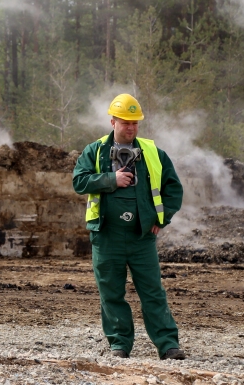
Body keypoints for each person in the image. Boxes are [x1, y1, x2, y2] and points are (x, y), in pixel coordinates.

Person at [72, 93, 185, 360]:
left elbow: (174, 189)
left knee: (152, 291)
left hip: (141, 236)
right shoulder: (95, 151)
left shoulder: (153, 153)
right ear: (113, 122)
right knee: (111, 291)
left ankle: (168, 344)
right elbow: (79, 182)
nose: (131, 127)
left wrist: (161, 218)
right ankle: (119, 344)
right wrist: (112, 179)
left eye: (135, 122)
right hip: (107, 234)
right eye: (125, 122)